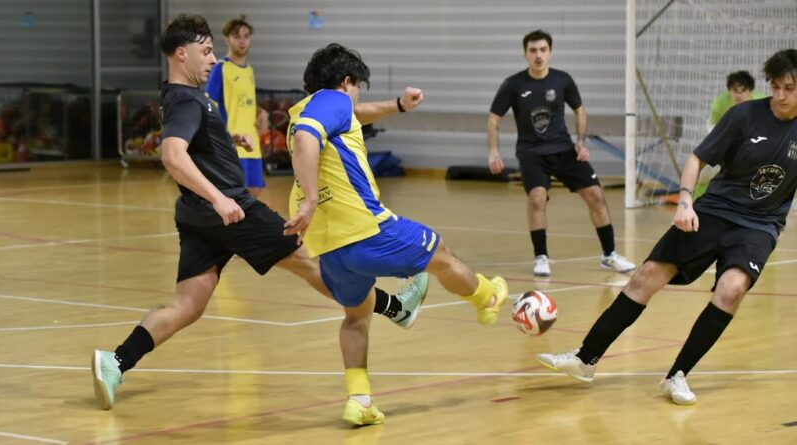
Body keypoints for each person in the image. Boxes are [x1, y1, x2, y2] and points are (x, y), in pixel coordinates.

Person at [90, 15, 429, 411]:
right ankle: (395, 307)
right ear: (181, 55)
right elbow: (172, 155)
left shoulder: (185, 97)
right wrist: (219, 199)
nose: (213, 58)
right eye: (205, 51)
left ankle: (114, 361)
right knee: (312, 262)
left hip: (197, 215)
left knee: (187, 306)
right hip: (230, 209)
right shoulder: (185, 99)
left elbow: (191, 147)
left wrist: (222, 141)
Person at [536, 48, 797, 405]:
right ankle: (585, 358)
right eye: (776, 86)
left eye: (790, 88)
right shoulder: (744, 116)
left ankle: (677, 375)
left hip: (759, 225)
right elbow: (697, 158)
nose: (781, 95)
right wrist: (686, 200)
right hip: (714, 210)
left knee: (732, 289)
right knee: (646, 277)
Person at [285, 43, 509, 426]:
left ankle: (360, 400)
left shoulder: (308, 109)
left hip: (330, 246)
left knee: (356, 317)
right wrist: (308, 200)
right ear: (346, 82)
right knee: (442, 254)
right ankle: (486, 298)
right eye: (357, 87)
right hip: (367, 228)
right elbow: (311, 136)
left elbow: (351, 115)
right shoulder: (332, 101)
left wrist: (398, 105)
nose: (356, 97)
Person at [486, 29, 635, 277]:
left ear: (550, 53)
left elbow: (580, 112)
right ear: (525, 54)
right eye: (533, 50)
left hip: (564, 150)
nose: (538, 55)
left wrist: (581, 142)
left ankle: (609, 255)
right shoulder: (513, 85)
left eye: (543, 50)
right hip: (531, 153)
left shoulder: (563, 80)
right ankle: (541, 257)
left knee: (596, 195)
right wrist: (493, 152)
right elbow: (493, 120)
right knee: (537, 198)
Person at [206, 14, 265, 197]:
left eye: (246, 36)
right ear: (227, 39)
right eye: (237, 36)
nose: (242, 41)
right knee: (235, 195)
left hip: (251, 143)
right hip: (231, 143)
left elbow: (244, 104)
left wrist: (261, 113)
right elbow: (209, 106)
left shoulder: (249, 70)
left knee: (255, 191)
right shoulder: (220, 68)